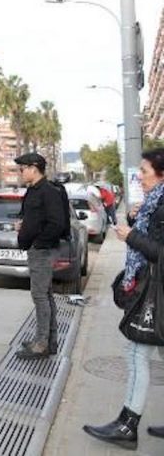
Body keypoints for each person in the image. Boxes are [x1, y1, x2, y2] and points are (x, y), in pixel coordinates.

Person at [83, 148, 164, 450]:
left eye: (144, 171)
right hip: (155, 289)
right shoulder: (155, 204)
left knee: (135, 353)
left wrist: (132, 236)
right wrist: (138, 218)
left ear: (161, 174)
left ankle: (127, 425)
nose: (139, 177)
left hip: (156, 293)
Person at [14, 153, 65, 360]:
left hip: (41, 251)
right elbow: (35, 218)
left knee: (40, 296)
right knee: (46, 295)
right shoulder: (34, 191)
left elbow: (57, 223)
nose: (20, 172)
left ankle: (41, 344)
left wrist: (38, 242)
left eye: (22, 168)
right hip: (36, 249)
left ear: (34, 168)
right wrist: (23, 226)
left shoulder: (48, 191)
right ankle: (48, 341)